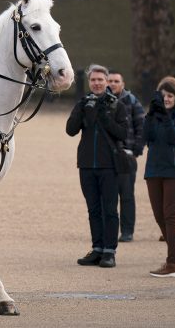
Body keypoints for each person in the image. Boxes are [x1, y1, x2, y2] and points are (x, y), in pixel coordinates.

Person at [66, 64, 128, 268]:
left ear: (107, 81)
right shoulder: (84, 103)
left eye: (101, 79)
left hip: (109, 165)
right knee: (93, 209)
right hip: (86, 165)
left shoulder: (116, 105)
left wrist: (105, 117)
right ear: (89, 82)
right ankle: (98, 248)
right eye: (93, 80)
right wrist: (82, 111)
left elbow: (123, 133)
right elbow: (71, 130)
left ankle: (110, 251)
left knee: (109, 209)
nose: (97, 83)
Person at [144, 76, 175, 278]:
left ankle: (172, 264)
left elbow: (173, 137)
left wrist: (164, 115)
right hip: (154, 169)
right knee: (159, 216)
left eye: (170, 95)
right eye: (163, 96)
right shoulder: (154, 115)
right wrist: (150, 114)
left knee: (171, 215)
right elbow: (147, 136)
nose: (166, 99)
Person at [107, 70, 145, 242]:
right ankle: (109, 230)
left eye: (116, 81)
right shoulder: (101, 100)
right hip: (106, 156)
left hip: (126, 155)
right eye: (110, 81)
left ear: (122, 84)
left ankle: (127, 231)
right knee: (107, 196)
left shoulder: (131, 101)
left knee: (127, 195)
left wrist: (135, 151)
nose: (113, 84)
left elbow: (142, 127)